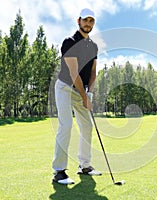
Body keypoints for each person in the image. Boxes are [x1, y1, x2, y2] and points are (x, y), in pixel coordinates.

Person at [52, 8, 102, 185]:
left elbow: (93, 72)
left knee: (87, 126)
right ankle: (59, 171)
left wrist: (90, 94)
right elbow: (74, 73)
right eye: (85, 20)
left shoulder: (94, 46)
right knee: (66, 125)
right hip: (65, 87)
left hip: (81, 90)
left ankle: (85, 166)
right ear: (78, 21)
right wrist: (84, 96)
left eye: (92, 21)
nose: (88, 23)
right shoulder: (69, 42)